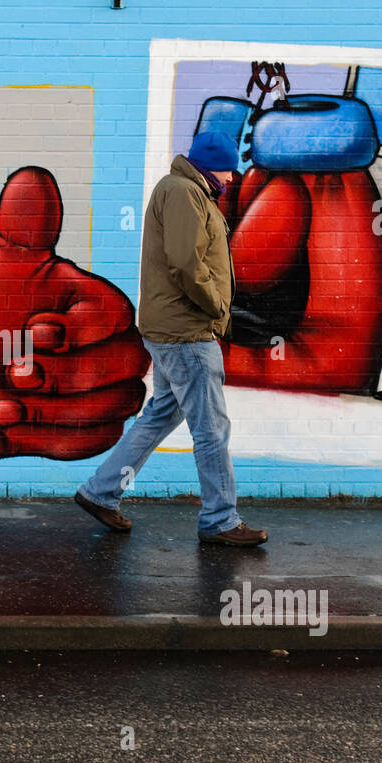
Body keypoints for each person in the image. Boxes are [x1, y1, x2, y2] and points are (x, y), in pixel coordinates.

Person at [74, 130, 268, 546]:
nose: (233, 177)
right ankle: (220, 520)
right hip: (187, 331)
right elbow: (185, 262)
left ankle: (101, 491)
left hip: (173, 329)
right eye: (227, 168)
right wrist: (218, 305)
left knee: (162, 414)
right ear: (209, 164)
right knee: (212, 429)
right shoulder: (184, 192)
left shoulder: (186, 189)